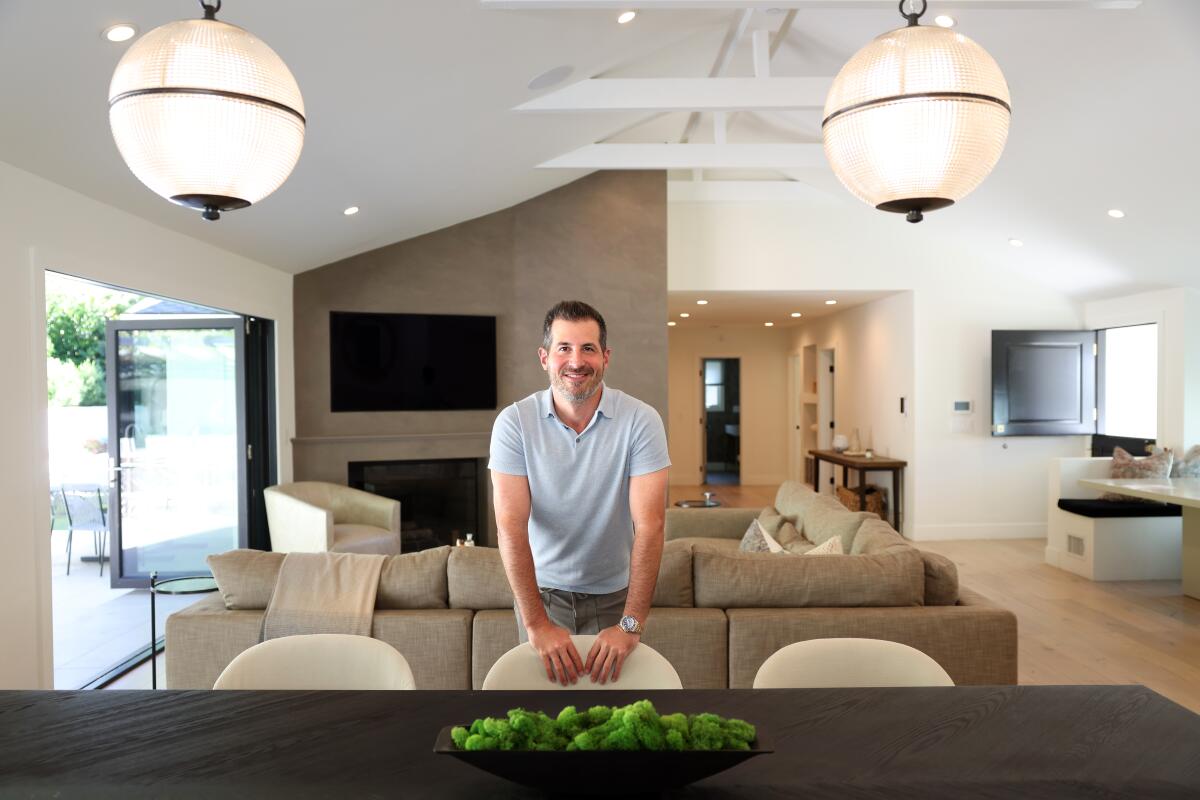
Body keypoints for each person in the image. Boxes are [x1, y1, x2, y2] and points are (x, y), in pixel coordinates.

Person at [488, 300, 670, 685]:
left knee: (616, 719)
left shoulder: (641, 420)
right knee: (544, 719)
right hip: (542, 599)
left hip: (617, 597)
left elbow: (651, 526)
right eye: (564, 348)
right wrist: (536, 624)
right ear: (544, 357)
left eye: (588, 348)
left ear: (606, 356)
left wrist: (631, 624)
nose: (576, 360)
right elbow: (510, 526)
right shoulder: (514, 423)